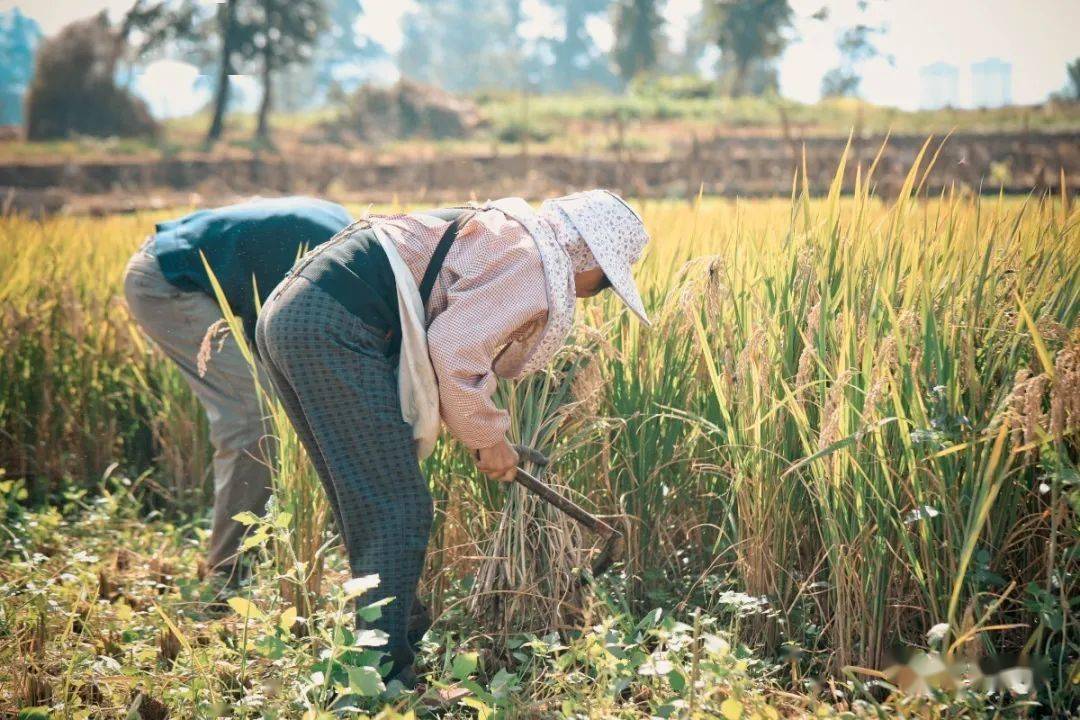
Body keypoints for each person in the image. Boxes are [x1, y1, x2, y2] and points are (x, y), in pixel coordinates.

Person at [254, 190, 650, 685]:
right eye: (606, 281)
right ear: (586, 253)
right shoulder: (533, 262)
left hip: (294, 313)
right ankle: (383, 680)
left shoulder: (508, 235)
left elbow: (449, 340)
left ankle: (399, 636)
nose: (597, 291)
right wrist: (489, 437)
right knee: (398, 506)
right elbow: (453, 349)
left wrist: (485, 433)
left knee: (368, 500)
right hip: (330, 323)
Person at [123, 196, 353, 582]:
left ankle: (281, 546)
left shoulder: (355, 249)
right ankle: (230, 573)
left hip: (214, 281)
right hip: (169, 281)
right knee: (253, 418)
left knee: (287, 410)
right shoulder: (340, 269)